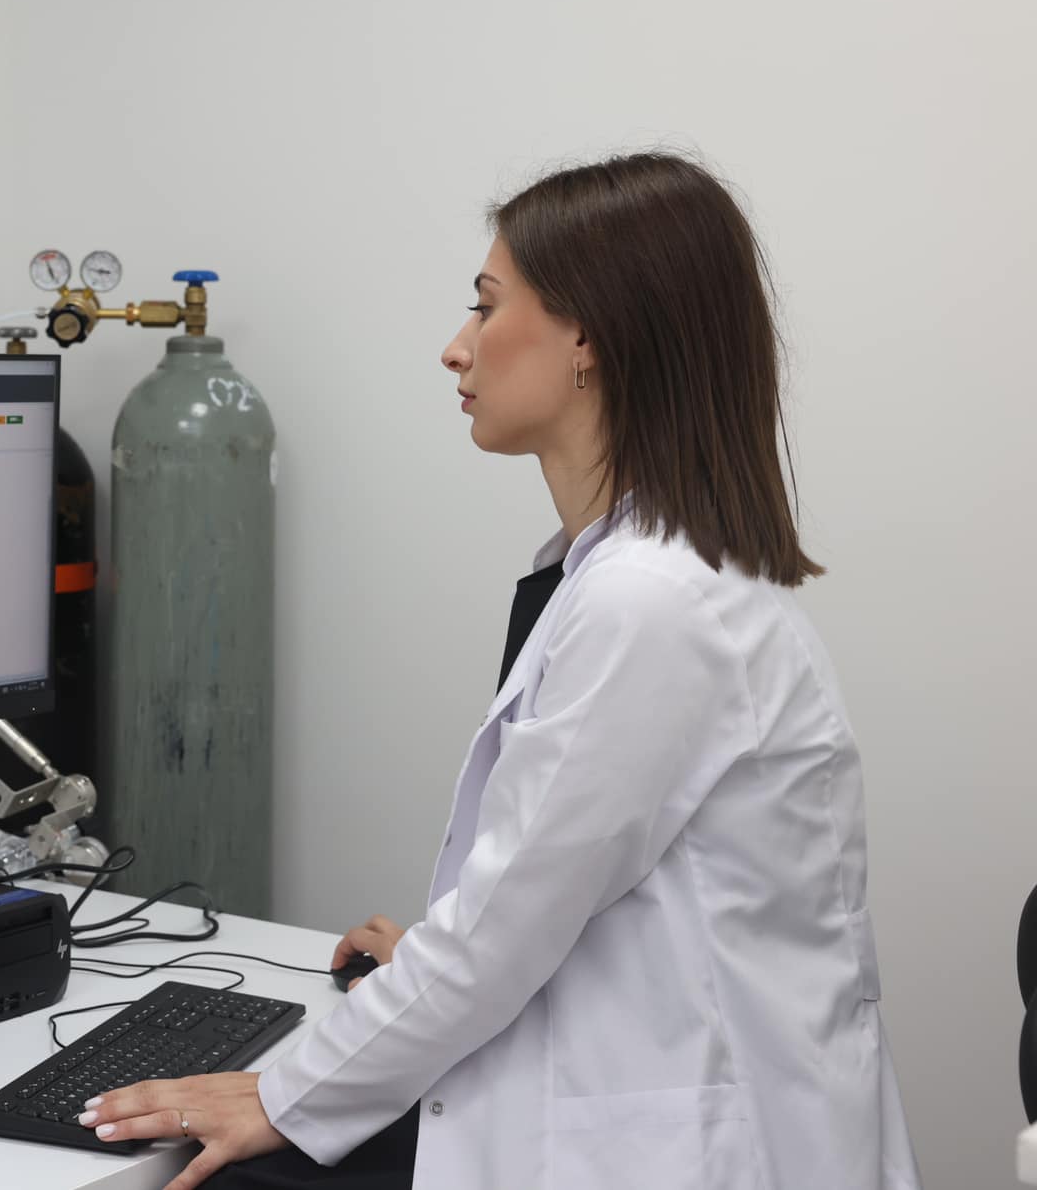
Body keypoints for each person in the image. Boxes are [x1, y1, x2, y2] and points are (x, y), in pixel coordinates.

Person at [77, 152, 922, 1190]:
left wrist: (281, 1091)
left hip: (691, 1146)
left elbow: (499, 938)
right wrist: (432, 962)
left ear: (587, 338)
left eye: (485, 306)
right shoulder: (629, 573)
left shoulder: (648, 605)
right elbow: (571, 901)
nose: (456, 346)